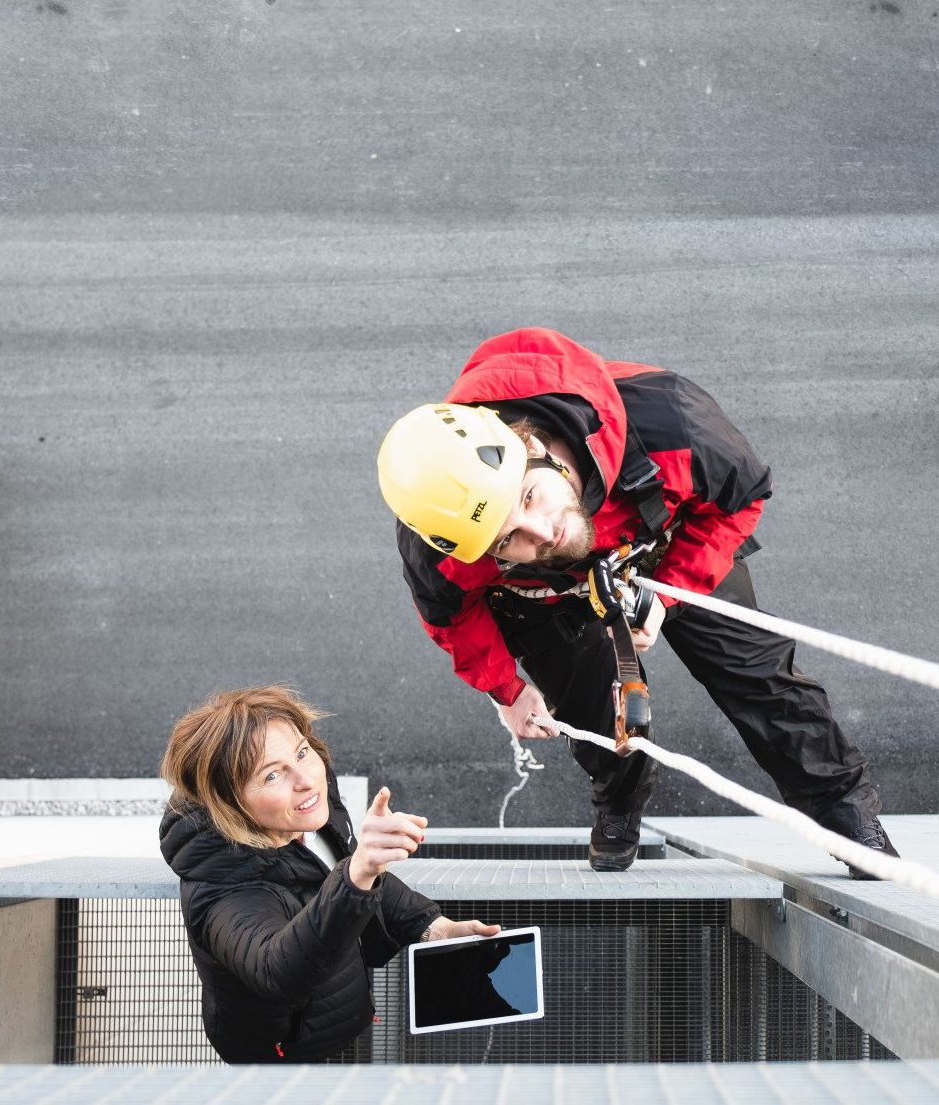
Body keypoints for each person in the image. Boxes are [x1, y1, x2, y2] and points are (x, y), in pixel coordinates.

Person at [376, 328, 899, 878]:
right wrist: (506, 689)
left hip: (666, 543)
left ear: (530, 447)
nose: (543, 533)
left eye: (530, 498)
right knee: (590, 705)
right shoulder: (442, 539)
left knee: (754, 673)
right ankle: (620, 799)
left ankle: (845, 816)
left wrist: (668, 592)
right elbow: (451, 618)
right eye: (510, 538)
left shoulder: (668, 420)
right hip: (545, 591)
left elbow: (739, 501)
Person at [159, 685, 499, 1064]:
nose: (306, 780)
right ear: (230, 803)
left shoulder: (306, 811)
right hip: (281, 1059)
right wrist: (357, 873)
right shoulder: (223, 887)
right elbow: (278, 970)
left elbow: (345, 874)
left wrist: (433, 928)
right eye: (272, 776)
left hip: (338, 1017)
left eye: (302, 752)